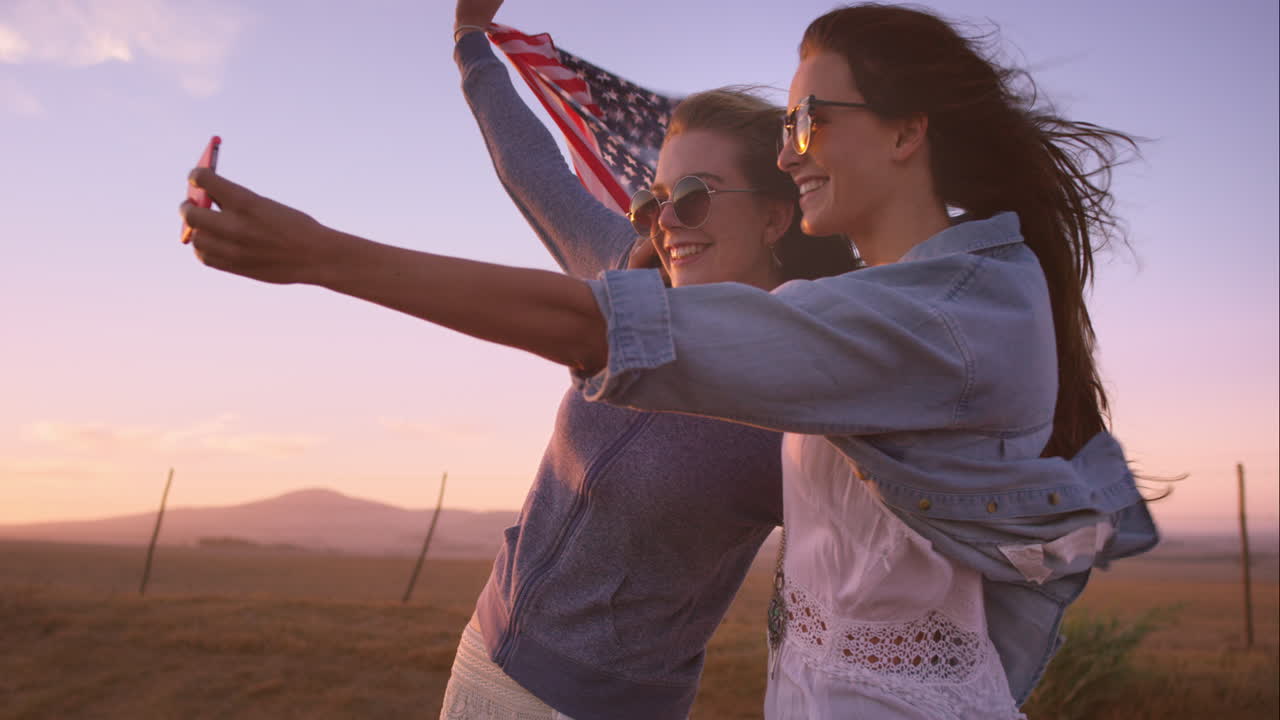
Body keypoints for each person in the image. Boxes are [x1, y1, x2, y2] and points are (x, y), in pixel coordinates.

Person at [180, 3, 1157, 718]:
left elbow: (608, 334)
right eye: (651, 200)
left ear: (774, 213)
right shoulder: (641, 269)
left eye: (691, 198)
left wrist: (320, 255)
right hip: (487, 657)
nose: (659, 222)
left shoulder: (836, 351)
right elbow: (537, 178)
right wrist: (472, 48)